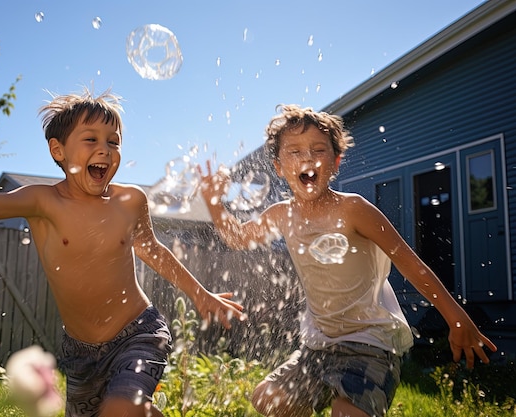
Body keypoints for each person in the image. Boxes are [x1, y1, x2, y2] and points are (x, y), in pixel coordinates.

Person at [0, 88, 244, 417]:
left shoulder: (130, 201)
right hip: (80, 353)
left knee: (120, 409)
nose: (105, 150)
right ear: (59, 151)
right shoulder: (43, 202)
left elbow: (153, 250)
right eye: (91, 140)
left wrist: (200, 293)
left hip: (138, 332)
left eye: (113, 141)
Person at [198, 104, 497, 417]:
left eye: (318, 150)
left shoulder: (353, 209)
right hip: (318, 346)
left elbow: (410, 263)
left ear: (336, 161)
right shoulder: (282, 215)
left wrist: (456, 317)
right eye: (295, 152)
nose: (307, 159)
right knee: (266, 398)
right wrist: (215, 204)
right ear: (278, 167)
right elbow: (237, 238)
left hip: (369, 344)